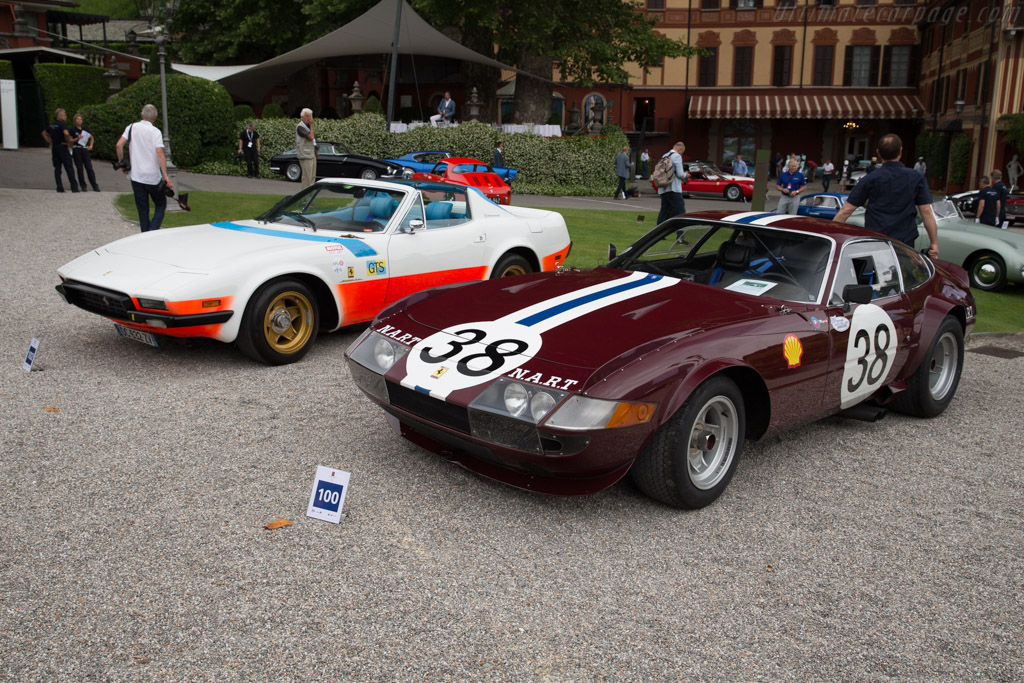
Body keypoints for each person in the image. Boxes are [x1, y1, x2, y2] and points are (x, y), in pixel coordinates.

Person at [832, 133, 938, 258]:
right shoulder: (916, 177)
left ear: (878, 153)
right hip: (905, 240)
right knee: (903, 274)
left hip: (876, 238)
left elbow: (846, 210)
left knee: (879, 274)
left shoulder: (870, 178)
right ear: (900, 151)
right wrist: (934, 243)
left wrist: (832, 237)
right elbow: (926, 211)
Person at [115, 103, 173, 233]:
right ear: (155, 117)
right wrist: (165, 175)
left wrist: (121, 162)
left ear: (141, 115)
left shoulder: (131, 127)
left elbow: (119, 145)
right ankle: (152, 231)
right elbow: (159, 153)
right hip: (152, 176)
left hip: (136, 176)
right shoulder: (155, 132)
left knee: (142, 209)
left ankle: (145, 234)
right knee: (160, 203)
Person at [41, 108, 78, 193]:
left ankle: (59, 187)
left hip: (55, 148)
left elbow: (44, 133)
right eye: (64, 115)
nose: (66, 116)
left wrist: (50, 141)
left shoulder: (52, 125)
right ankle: (74, 187)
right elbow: (66, 133)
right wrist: (68, 142)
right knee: (69, 167)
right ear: (60, 116)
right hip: (62, 147)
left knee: (57, 168)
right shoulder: (62, 125)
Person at [656, 141, 687, 224]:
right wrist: (686, 175)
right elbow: (680, 174)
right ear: (680, 149)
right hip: (673, 188)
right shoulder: (677, 156)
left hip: (663, 187)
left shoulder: (665, 155)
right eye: (682, 152)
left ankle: (658, 233)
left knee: (664, 211)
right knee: (680, 211)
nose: (681, 154)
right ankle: (680, 235)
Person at [69, 112, 100, 192]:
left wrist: (91, 145)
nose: (79, 121)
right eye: (77, 119)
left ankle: (94, 185)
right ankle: (83, 185)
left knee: (89, 167)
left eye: (80, 119)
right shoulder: (72, 130)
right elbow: (70, 140)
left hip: (84, 148)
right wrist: (77, 138)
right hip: (77, 148)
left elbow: (91, 137)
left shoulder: (85, 129)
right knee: (80, 168)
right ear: (75, 120)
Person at [296, 108, 316, 188]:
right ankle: (304, 198)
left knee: (312, 178)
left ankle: (310, 196)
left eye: (311, 116)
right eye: (308, 116)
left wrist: (316, 153)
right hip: (305, 155)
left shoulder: (308, 128)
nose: (310, 118)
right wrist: (311, 125)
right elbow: (311, 137)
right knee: (307, 178)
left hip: (311, 154)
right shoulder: (300, 127)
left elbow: (314, 139)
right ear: (302, 117)